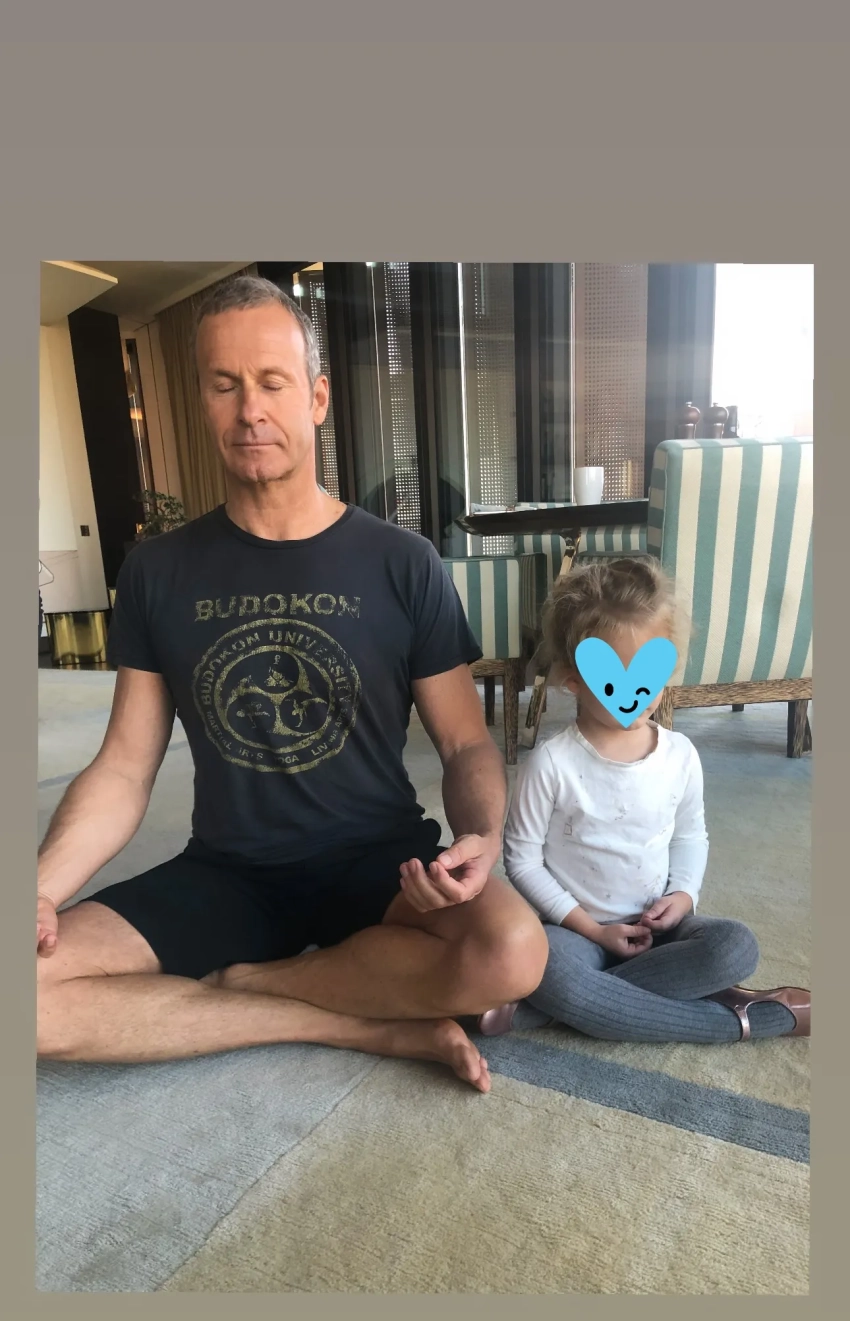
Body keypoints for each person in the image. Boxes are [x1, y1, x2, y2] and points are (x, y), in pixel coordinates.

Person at [37, 275, 548, 1091]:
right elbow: (125, 768)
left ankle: (255, 982)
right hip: (228, 872)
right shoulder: (157, 572)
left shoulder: (402, 562)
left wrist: (480, 838)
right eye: (225, 385)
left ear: (315, 398)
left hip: (381, 863)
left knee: (513, 951)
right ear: (204, 401)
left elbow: (463, 745)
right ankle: (358, 1024)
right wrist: (38, 890)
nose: (250, 410)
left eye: (272, 383)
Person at [503, 555, 810, 1043]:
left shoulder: (680, 755)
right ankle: (737, 1023)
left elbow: (690, 837)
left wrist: (682, 895)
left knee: (736, 948)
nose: (636, 694)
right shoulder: (550, 764)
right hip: (575, 933)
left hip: (660, 930)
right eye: (614, 679)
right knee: (543, 965)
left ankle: (561, 1008)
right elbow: (521, 860)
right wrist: (591, 929)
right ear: (573, 679)